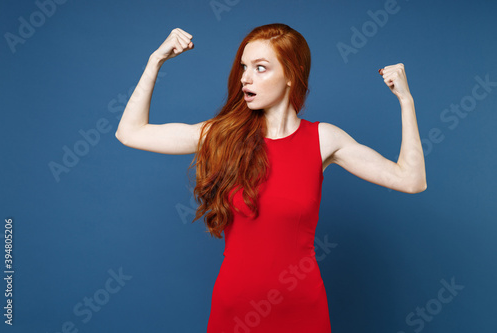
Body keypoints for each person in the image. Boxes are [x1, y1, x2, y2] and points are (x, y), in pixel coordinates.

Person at [115, 23, 426, 333]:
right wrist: (156, 60)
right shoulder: (222, 134)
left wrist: (406, 101)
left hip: (302, 311)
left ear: (291, 74)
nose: (245, 78)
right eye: (244, 68)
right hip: (234, 311)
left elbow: (411, 180)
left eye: (260, 68)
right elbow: (130, 132)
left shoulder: (324, 140)